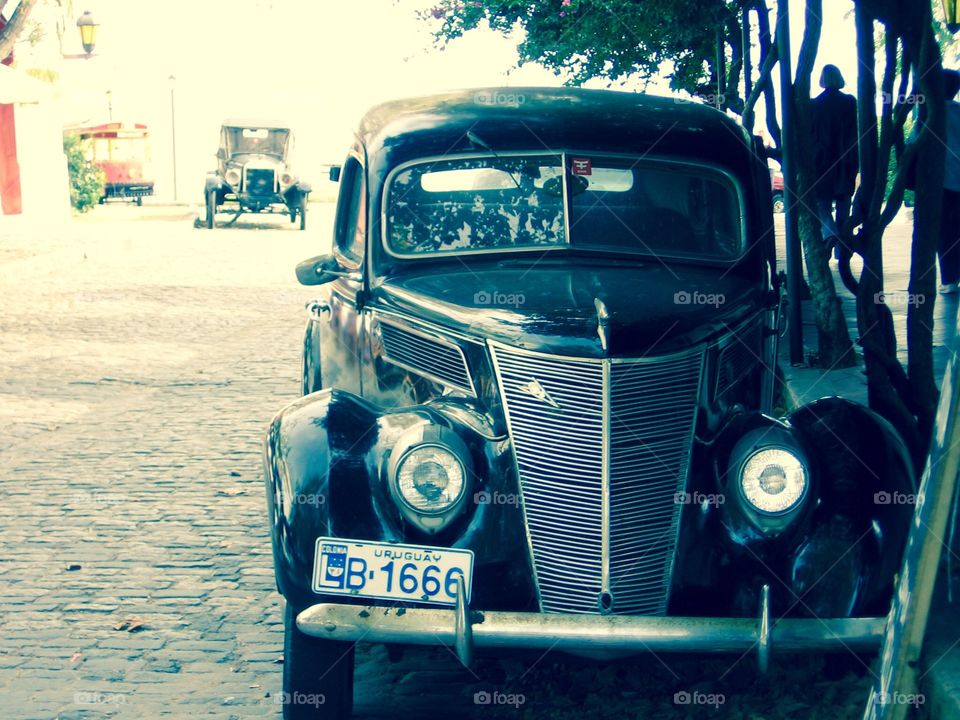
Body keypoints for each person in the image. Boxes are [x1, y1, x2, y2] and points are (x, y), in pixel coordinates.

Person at [810, 65, 859, 255]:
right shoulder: (849, 102)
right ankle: (842, 251)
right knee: (843, 206)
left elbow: (811, 135)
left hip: (822, 163)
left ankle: (829, 231)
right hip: (845, 162)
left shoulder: (814, 105)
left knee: (821, 203)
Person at [938, 69, 960, 294]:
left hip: (941, 181)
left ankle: (949, 279)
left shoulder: (932, 112)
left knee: (944, 230)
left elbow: (916, 139)